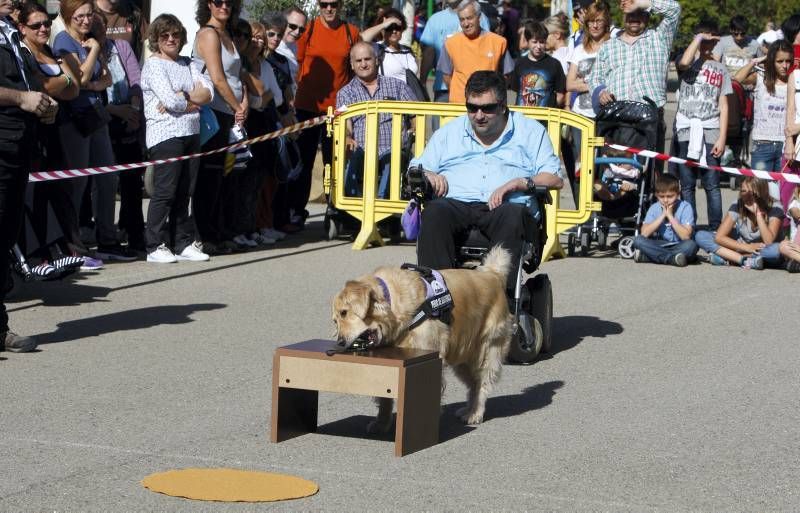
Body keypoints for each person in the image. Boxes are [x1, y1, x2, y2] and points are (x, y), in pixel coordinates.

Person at [411, 71, 563, 293]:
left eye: (487, 108)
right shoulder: (450, 132)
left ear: (502, 106)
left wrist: (519, 182)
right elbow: (416, 168)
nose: (479, 115)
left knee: (513, 214)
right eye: (472, 108)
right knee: (434, 212)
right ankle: (438, 297)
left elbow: (554, 177)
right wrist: (428, 175)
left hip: (505, 207)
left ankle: (501, 300)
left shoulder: (530, 131)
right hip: (456, 203)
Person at [55, 0, 136, 261]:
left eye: (89, 15)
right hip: (76, 119)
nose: (86, 21)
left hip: (97, 116)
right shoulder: (64, 42)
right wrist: (93, 53)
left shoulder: (90, 40)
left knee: (107, 179)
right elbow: (79, 79)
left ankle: (108, 240)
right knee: (78, 183)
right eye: (79, 16)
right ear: (69, 16)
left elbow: (107, 79)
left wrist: (90, 79)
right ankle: (73, 246)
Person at [0, 0, 59, 352]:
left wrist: (42, 104)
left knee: (4, 239)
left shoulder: (10, 34)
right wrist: (21, 97)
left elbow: (28, 83)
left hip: (16, 147)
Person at [141, 14, 212, 263]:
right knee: (165, 192)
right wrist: (191, 101)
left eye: (175, 34)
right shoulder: (153, 65)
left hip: (192, 133)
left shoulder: (188, 63)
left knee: (185, 192)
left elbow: (208, 92)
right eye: (165, 35)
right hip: (165, 135)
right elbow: (170, 101)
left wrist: (183, 95)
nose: (171, 39)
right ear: (156, 39)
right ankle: (154, 245)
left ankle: (182, 242)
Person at [291, 0, 360, 231]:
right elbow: (296, 64)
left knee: (335, 162)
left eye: (333, 4)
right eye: (324, 4)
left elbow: (355, 67)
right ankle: (295, 211)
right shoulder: (308, 30)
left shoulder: (350, 33)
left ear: (340, 5)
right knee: (304, 162)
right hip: (307, 107)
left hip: (337, 110)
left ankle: (335, 210)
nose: (329, 9)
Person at [588, 0, 680, 164]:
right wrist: (600, 92)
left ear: (647, 14)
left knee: (649, 176)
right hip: (616, 118)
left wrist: (640, 3)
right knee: (611, 173)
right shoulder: (609, 46)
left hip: (649, 119)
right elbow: (595, 77)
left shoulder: (659, 38)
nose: (634, 18)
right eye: (630, 14)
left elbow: (675, 9)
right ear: (623, 16)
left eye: (639, 13)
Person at [192, 0, 249, 255]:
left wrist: (242, 103)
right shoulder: (208, 34)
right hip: (214, 113)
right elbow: (217, 78)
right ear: (208, 5)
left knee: (227, 177)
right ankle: (205, 235)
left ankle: (221, 231)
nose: (224, 6)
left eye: (229, 2)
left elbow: (238, 77)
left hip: (230, 114)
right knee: (210, 177)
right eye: (218, 1)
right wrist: (237, 106)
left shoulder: (227, 34)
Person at [92, 11, 145, 253]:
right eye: (95, 28)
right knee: (104, 183)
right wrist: (116, 110)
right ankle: (104, 235)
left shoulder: (121, 46)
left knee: (132, 182)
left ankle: (135, 235)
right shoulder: (85, 51)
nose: (100, 32)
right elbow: (87, 89)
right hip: (101, 119)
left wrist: (133, 111)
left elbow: (135, 80)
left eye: (102, 26)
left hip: (128, 119)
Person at [335, 42, 415, 199]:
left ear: (377, 60)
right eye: (358, 61)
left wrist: (415, 131)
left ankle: (381, 202)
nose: (363, 64)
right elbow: (345, 124)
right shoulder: (345, 93)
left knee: (393, 157)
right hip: (361, 148)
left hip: (393, 146)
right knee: (349, 155)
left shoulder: (398, 86)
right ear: (352, 65)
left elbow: (416, 115)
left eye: (367, 59)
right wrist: (347, 137)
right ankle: (350, 204)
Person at [674, 19, 731, 231]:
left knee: (712, 183)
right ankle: (689, 224)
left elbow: (723, 105)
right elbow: (683, 63)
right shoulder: (686, 62)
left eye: (711, 41)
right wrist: (698, 39)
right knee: (687, 183)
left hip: (711, 128)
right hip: (686, 128)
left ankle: (716, 228)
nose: (707, 45)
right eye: (704, 40)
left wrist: (722, 137)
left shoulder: (720, 69)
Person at [735, 40, 791, 202]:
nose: (784, 65)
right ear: (771, 61)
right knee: (759, 194)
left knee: (783, 197)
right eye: (780, 61)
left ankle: (780, 228)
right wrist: (754, 62)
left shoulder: (794, 82)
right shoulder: (760, 77)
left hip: (785, 147)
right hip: (762, 146)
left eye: (788, 61)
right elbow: (737, 79)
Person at [695, 177, 784, 270]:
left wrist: (758, 214)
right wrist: (747, 247)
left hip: (763, 248)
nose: (746, 196)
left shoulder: (775, 207)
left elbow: (769, 241)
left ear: (761, 193)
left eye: (751, 193)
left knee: (776, 251)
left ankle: (728, 258)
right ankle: (742, 260)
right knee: (701, 236)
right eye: (743, 191)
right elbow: (719, 237)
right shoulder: (738, 204)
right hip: (742, 246)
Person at [438, 0, 513, 104]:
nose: (466, 23)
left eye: (469, 18)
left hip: (489, 107)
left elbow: (506, 75)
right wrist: (460, 95)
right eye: (462, 19)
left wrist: (495, 97)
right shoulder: (450, 43)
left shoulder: (499, 42)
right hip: (459, 106)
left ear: (479, 17)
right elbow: (446, 76)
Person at [418, 0, 489, 104]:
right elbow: (429, 52)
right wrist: (422, 82)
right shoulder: (435, 20)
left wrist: (423, 82)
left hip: (474, 90)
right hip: (449, 89)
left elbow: (487, 47)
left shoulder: (480, 17)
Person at [632, 173, 698, 266]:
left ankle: (649, 257)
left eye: (670, 196)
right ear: (656, 195)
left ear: (678, 194)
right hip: (660, 244)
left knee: (691, 246)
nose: (666, 200)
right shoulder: (654, 207)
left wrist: (670, 216)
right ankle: (672, 259)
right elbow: (644, 233)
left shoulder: (686, 207)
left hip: (679, 244)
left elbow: (685, 236)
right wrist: (663, 215)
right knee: (638, 240)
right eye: (661, 197)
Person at [510, 21, 565, 108]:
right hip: (521, 117)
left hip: (545, 118)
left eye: (542, 42)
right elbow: (514, 91)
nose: (538, 46)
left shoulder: (555, 64)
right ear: (528, 42)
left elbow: (560, 95)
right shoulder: (520, 63)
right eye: (534, 42)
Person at [363, 7, 418, 84]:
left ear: (402, 29)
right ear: (382, 30)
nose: (394, 31)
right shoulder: (376, 48)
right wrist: (383, 25)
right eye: (390, 27)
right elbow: (362, 39)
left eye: (397, 27)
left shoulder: (408, 51)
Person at [276, 5, 306, 91]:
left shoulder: (293, 46)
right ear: (282, 23)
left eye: (301, 30)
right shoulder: (273, 47)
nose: (297, 32)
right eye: (293, 26)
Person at [780, 185, 800, 272]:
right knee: (783, 246)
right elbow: (796, 214)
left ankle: (796, 263)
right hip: (796, 247)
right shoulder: (794, 203)